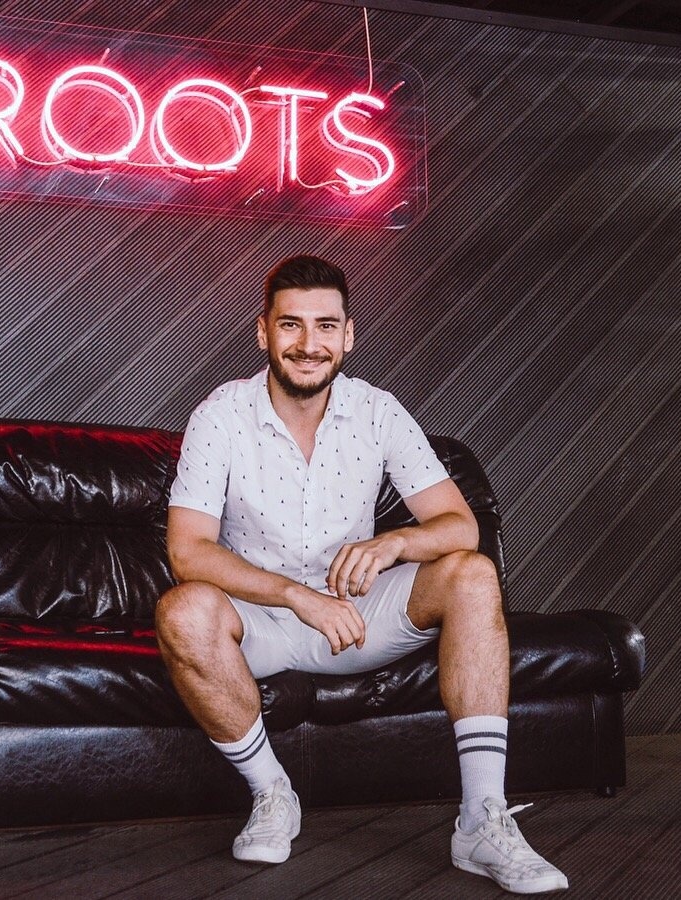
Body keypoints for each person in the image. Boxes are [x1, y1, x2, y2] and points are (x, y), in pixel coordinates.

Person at [155, 255, 568, 894]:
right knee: (181, 609)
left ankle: (482, 821)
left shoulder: (378, 411)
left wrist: (396, 542)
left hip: (356, 614)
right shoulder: (221, 414)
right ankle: (272, 794)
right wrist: (296, 596)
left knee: (471, 574)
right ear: (263, 332)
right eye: (290, 325)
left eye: (326, 326)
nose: (308, 343)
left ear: (348, 335)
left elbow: (461, 527)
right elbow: (188, 552)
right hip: (261, 620)